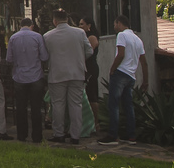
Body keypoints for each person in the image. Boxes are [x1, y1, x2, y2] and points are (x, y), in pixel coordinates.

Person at [44, 9, 93, 144]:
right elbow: (89, 51)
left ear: (55, 21)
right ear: (67, 19)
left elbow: (45, 55)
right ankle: (75, 135)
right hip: (76, 72)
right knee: (76, 104)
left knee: (58, 104)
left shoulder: (48, 36)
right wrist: (79, 59)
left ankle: (58, 133)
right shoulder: (79, 32)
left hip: (57, 73)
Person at [101, 14, 147, 145]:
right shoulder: (138, 40)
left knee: (113, 104)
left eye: (115, 24)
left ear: (120, 24)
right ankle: (131, 135)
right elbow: (144, 62)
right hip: (131, 75)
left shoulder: (121, 35)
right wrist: (145, 81)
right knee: (128, 105)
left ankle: (112, 135)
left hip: (121, 72)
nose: (114, 26)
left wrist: (112, 68)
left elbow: (121, 54)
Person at [6, 18, 49, 144]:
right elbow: (44, 56)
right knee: (36, 108)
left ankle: (22, 135)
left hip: (19, 76)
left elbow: (9, 59)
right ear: (32, 25)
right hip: (35, 76)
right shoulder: (37, 37)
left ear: (20, 26)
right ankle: (37, 136)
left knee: (21, 107)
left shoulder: (13, 38)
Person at [78, 16, 101, 104]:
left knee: (92, 94)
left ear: (89, 25)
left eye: (82, 24)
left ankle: (94, 116)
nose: (80, 26)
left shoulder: (92, 37)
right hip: (85, 67)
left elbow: (88, 52)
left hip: (91, 68)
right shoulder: (84, 37)